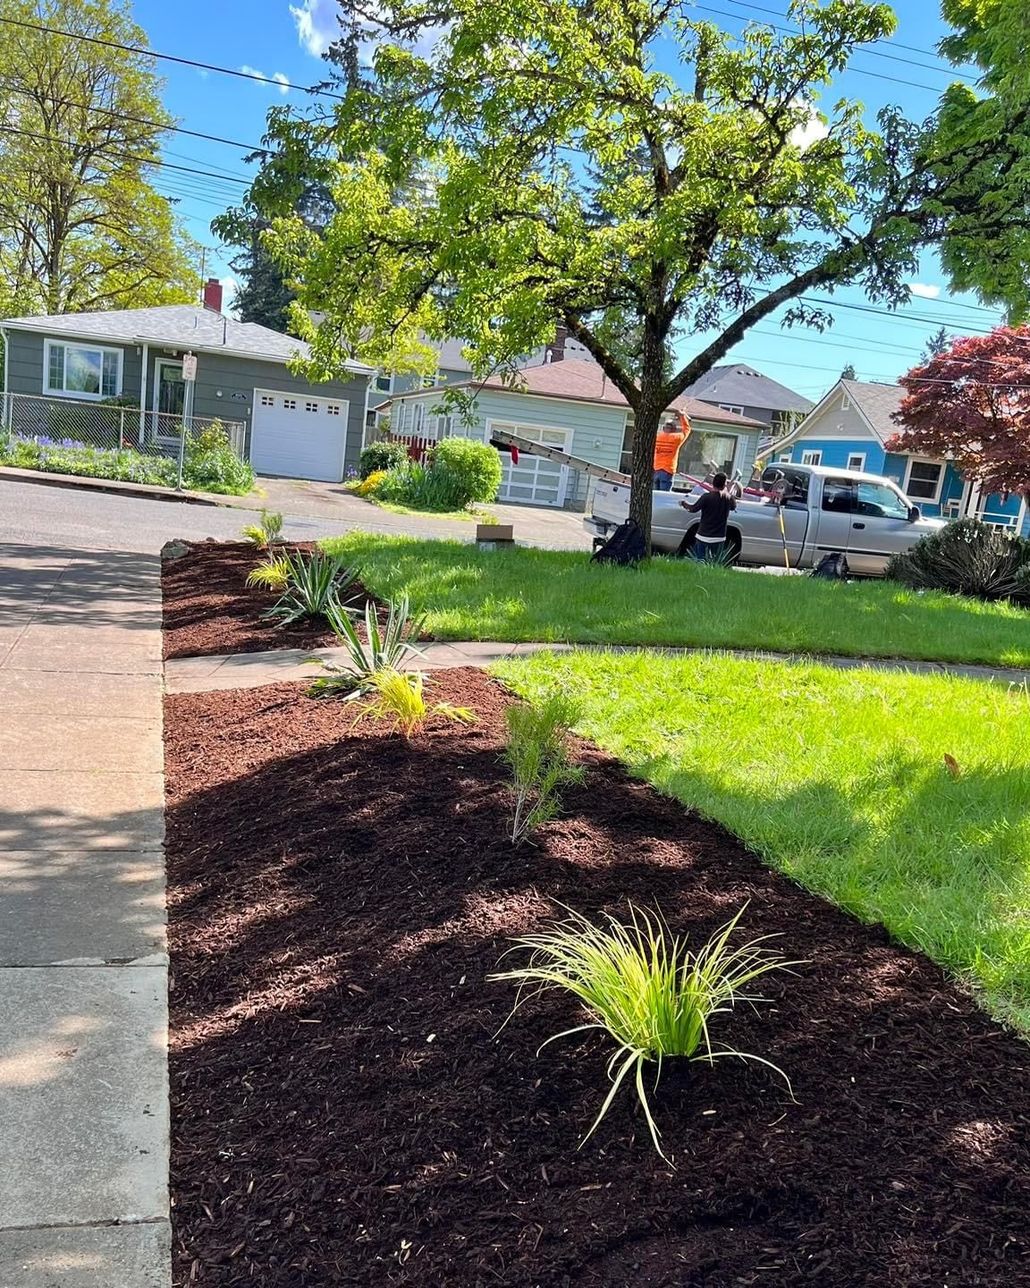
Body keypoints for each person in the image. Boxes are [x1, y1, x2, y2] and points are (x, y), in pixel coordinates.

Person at [681, 472, 736, 560]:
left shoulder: (706, 497)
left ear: (713, 483)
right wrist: (728, 492)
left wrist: (684, 503)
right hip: (719, 537)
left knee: (700, 560)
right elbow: (733, 507)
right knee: (714, 562)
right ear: (724, 485)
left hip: (703, 535)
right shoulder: (728, 498)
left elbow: (693, 509)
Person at [652, 414, 689, 490]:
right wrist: (682, 416)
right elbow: (686, 429)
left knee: (655, 496)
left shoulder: (657, 437)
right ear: (674, 429)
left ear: (663, 428)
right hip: (668, 470)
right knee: (665, 497)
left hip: (656, 470)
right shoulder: (677, 438)